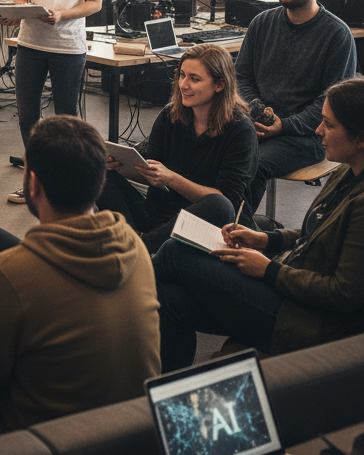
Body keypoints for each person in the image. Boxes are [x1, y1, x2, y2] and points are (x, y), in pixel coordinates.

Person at [0, 116, 159, 441]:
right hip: (125, 434)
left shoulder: (9, 274)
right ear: (99, 182)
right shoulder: (136, 250)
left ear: (33, 184)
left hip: (39, 440)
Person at [154, 77, 364, 371]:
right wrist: (265, 239)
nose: (318, 131)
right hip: (288, 284)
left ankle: (120, 283)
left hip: (307, 318)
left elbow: (343, 294)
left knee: (176, 253)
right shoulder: (346, 172)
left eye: (328, 125)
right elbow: (316, 234)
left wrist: (268, 270)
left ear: (360, 138)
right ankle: (169, 386)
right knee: (169, 298)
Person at [97, 44, 259, 253]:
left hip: (203, 224)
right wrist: (119, 163)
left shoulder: (240, 131)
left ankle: (138, 247)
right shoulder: (170, 116)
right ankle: (137, 242)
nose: (183, 84)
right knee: (98, 170)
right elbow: (151, 168)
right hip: (158, 214)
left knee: (219, 204)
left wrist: (171, 178)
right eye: (182, 75)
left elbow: (225, 200)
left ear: (219, 85)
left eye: (195, 78)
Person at [235, 0, 357, 215]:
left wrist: (284, 126)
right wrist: (257, 110)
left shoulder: (337, 35)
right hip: (257, 123)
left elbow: (331, 102)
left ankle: (234, 233)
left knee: (250, 164)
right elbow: (241, 77)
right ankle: (194, 221)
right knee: (205, 145)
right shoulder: (261, 23)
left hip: (309, 136)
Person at [3, 0, 103, 198]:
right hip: (30, 43)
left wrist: (63, 14)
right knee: (28, 115)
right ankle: (32, 181)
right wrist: (18, 8)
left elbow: (95, 2)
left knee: (66, 118)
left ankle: (67, 185)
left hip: (67, 47)